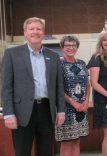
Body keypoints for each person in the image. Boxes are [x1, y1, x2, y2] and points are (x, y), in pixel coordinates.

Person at [1, 17, 65, 156]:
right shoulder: (12, 54)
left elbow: (59, 86)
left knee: (47, 151)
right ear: (25, 32)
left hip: (47, 111)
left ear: (43, 33)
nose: (35, 32)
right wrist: (8, 113)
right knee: (22, 152)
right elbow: (6, 87)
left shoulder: (53, 56)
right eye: (31, 29)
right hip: (21, 112)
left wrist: (61, 110)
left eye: (38, 29)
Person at [55, 36, 90, 156]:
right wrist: (73, 103)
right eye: (67, 46)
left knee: (77, 141)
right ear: (62, 47)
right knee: (67, 142)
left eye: (73, 45)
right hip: (65, 109)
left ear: (77, 47)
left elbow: (87, 83)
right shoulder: (58, 63)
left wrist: (86, 101)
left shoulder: (82, 63)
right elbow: (57, 88)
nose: (71, 48)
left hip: (81, 108)